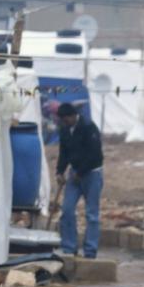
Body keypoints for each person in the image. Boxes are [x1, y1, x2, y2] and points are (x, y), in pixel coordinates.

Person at [55, 102, 103, 258]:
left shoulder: (89, 127)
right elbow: (64, 152)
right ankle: (69, 248)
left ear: (73, 115)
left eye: (66, 119)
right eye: (63, 120)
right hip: (74, 174)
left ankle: (90, 251)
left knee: (92, 214)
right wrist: (60, 171)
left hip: (92, 174)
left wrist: (81, 172)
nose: (65, 122)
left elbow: (95, 154)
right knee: (67, 210)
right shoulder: (65, 130)